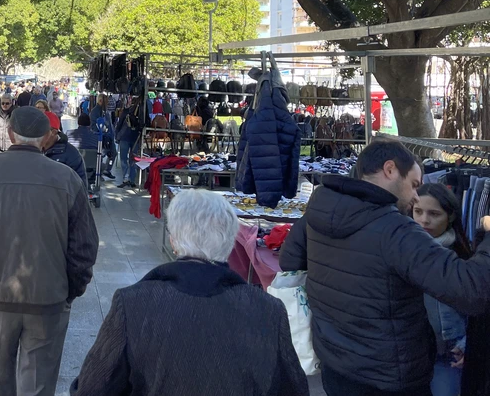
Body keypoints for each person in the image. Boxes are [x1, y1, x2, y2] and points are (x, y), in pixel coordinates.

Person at [279, 140, 490, 396]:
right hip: (389, 378)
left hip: (336, 367)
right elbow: (472, 289)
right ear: (390, 169)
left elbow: (289, 263)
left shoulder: (319, 211)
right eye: (413, 184)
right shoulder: (395, 230)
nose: (415, 196)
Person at [71, 189, 308, 396]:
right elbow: (292, 388)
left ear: (173, 241)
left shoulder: (133, 302)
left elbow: (92, 388)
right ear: (229, 242)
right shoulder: (269, 310)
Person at [0, 107, 99, 396]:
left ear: (9, 134)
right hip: (47, 300)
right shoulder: (67, 178)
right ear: (46, 138)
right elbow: (84, 248)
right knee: (38, 383)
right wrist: (69, 290)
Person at [413, 184, 470, 396]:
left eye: (434, 214)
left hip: (448, 354)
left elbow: (481, 309)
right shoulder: (401, 252)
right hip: (409, 353)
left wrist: (468, 344)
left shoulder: (462, 259)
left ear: (450, 216)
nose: (424, 220)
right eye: (418, 212)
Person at [115, 102, 141, 188]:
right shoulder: (141, 112)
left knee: (123, 158)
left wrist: (116, 136)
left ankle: (126, 178)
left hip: (125, 137)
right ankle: (132, 180)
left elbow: (119, 124)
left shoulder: (125, 111)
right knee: (133, 159)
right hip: (135, 138)